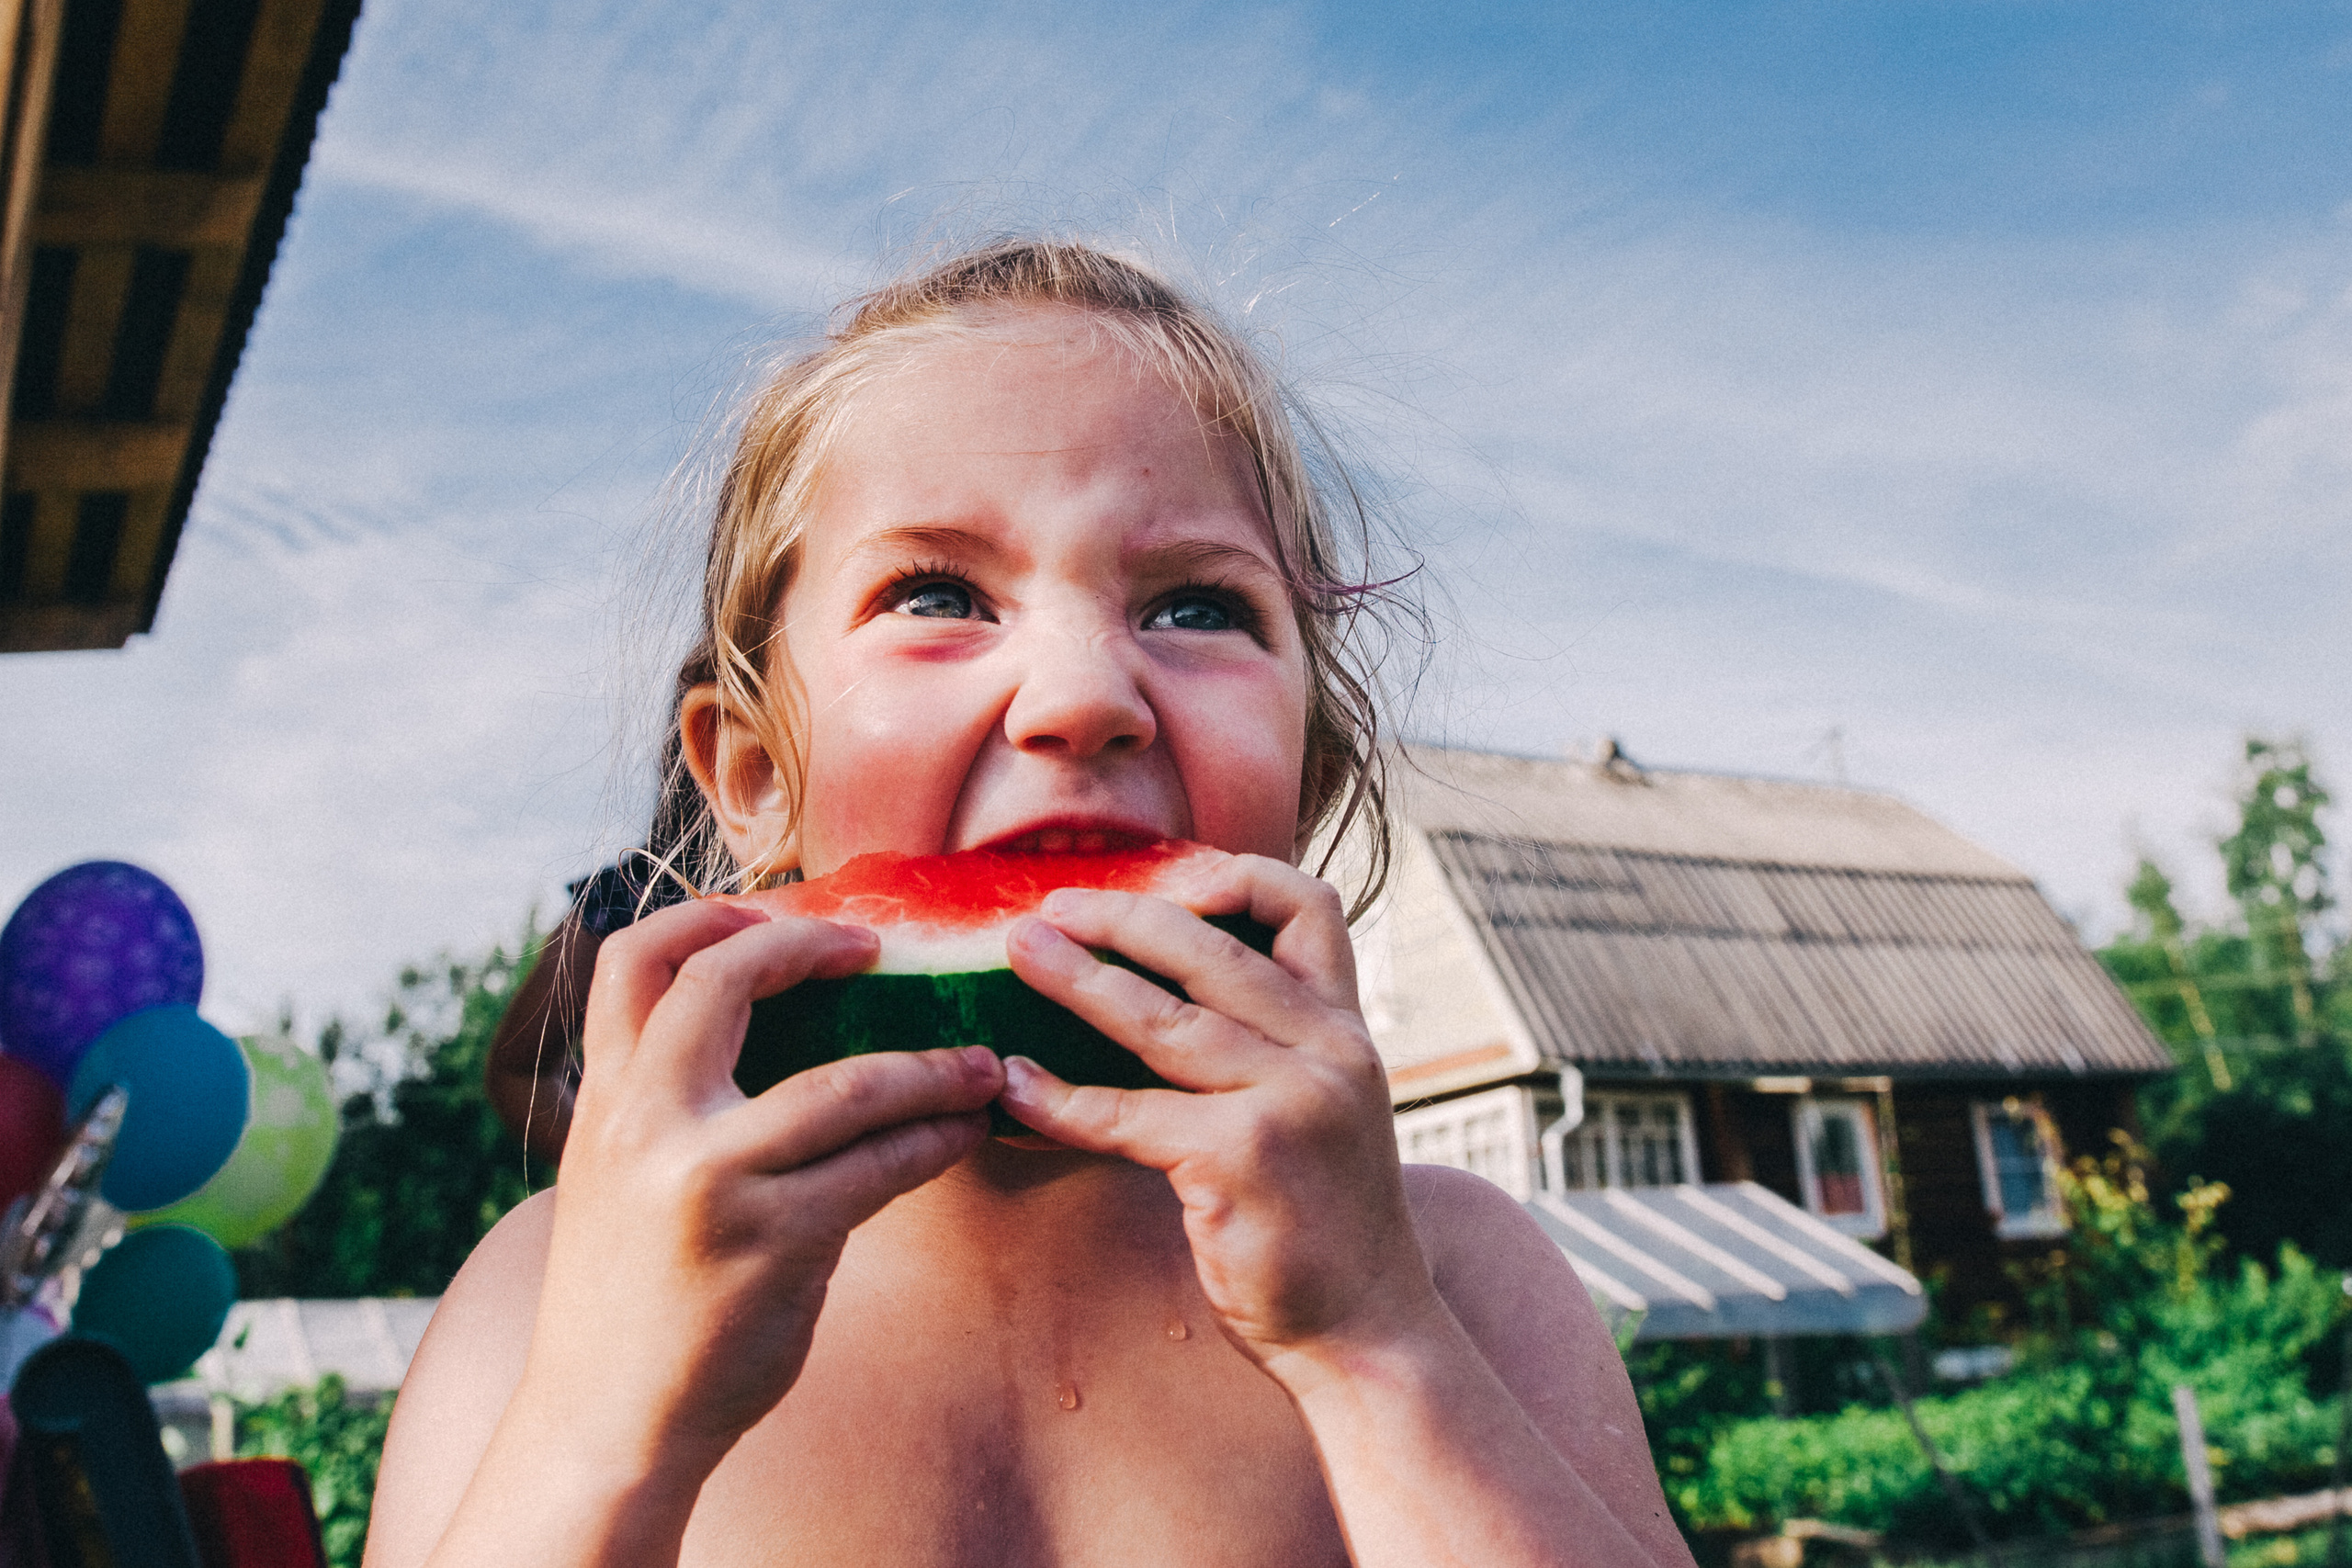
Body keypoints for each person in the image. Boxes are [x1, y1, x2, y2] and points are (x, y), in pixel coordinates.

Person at [367, 239, 1695, 1568]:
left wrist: (1373, 1348)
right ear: (756, 772)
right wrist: (607, 1426)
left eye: (1194, 606)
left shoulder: (1458, 1280)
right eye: (936, 594)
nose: (1082, 696)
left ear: (1307, 776)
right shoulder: (553, 1302)